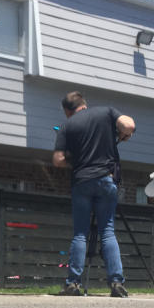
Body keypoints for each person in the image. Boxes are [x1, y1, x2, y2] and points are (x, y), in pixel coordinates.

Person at [52, 91, 136, 297]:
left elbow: (58, 160)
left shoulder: (66, 126)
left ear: (67, 110)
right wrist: (124, 134)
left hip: (81, 182)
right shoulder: (106, 112)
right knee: (107, 231)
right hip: (106, 179)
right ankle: (116, 283)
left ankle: (73, 284)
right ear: (84, 104)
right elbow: (128, 126)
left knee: (80, 233)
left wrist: (75, 159)